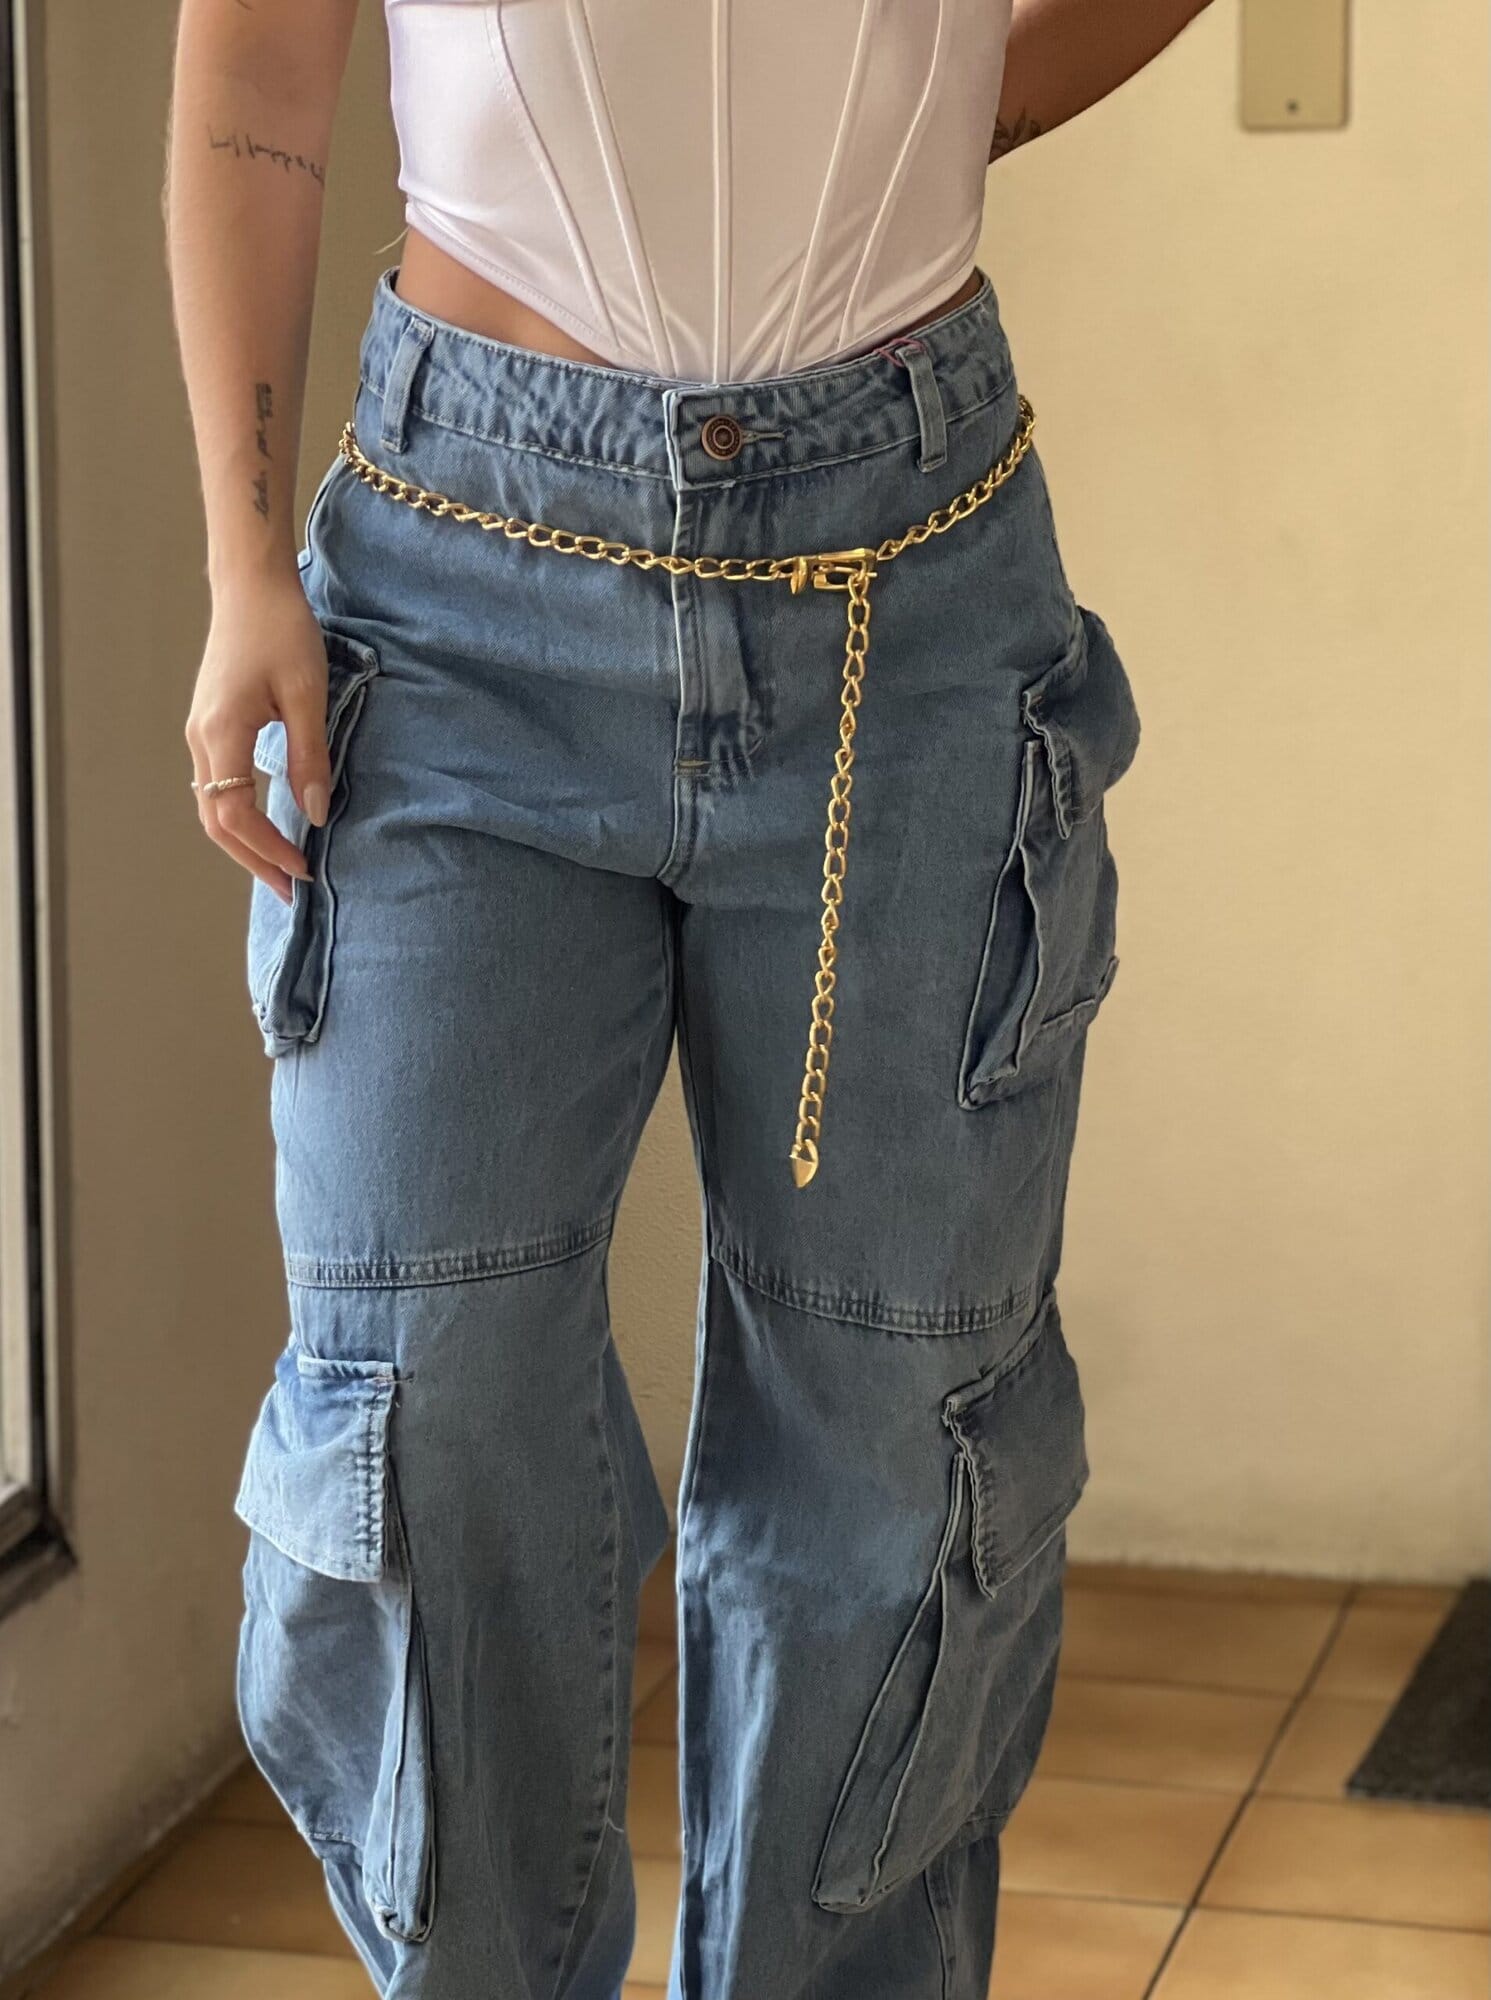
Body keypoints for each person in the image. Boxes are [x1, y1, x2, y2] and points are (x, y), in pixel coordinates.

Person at [166, 3, 1208, 1994]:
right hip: (454, 594)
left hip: (903, 586)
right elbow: (259, 80)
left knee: (894, 1448)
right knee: (419, 1410)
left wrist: (952, 94)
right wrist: (240, 568)